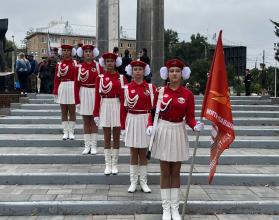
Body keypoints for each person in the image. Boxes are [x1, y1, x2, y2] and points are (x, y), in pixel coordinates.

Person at [150, 59, 204, 220]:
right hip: (163, 130)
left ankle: (175, 208)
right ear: (167, 73)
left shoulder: (188, 94)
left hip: (178, 131)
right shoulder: (160, 92)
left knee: (176, 172)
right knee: (165, 171)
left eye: (177, 71)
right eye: (171, 71)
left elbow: (190, 117)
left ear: (182, 74)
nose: (174, 74)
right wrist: (149, 126)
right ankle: (165, 208)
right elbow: (152, 114)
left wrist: (195, 126)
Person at [123, 60, 154, 193]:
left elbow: (153, 109)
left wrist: (150, 124)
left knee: (143, 152)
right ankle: (133, 182)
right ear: (131, 71)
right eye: (135, 69)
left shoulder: (150, 88)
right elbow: (123, 109)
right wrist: (123, 128)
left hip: (145, 120)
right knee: (133, 152)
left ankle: (143, 182)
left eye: (140, 69)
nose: (137, 72)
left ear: (144, 71)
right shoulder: (126, 88)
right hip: (131, 119)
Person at [93, 52, 127, 175]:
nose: (110, 63)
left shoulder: (122, 78)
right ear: (104, 63)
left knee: (116, 137)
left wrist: (125, 114)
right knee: (107, 137)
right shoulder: (99, 78)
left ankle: (115, 164)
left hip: (117, 105)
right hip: (105, 105)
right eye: (107, 61)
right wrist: (96, 113)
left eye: (112, 61)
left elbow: (125, 98)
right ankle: (108, 164)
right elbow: (97, 97)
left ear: (115, 62)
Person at [75, 44, 103, 155]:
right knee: (86, 120)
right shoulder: (79, 67)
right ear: (83, 54)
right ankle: (87, 146)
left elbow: (102, 82)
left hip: (95, 93)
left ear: (93, 53)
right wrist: (77, 101)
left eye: (89, 52)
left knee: (94, 120)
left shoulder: (97, 66)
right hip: (84, 92)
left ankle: (94, 145)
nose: (87, 53)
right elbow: (76, 85)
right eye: (85, 51)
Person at [53, 44, 78, 140]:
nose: (66, 52)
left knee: (72, 110)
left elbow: (78, 78)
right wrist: (55, 90)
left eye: (68, 50)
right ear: (61, 52)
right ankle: (65, 131)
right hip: (63, 86)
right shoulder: (59, 64)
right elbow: (56, 78)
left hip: (72, 86)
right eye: (64, 50)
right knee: (63, 111)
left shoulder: (75, 63)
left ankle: (71, 131)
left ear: (71, 52)